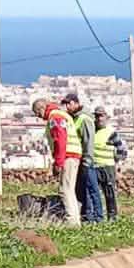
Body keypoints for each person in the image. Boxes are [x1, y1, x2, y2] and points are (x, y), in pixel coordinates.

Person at [34, 97, 81, 226]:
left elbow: (60, 139)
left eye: (37, 113)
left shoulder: (55, 117)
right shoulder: (61, 114)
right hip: (72, 154)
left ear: (42, 108)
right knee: (69, 189)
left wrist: (58, 163)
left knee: (65, 190)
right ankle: (75, 220)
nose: (38, 116)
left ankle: (72, 222)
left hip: (68, 155)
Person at [63, 93, 102, 224]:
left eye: (69, 104)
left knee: (91, 189)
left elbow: (88, 141)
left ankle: (97, 217)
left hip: (85, 159)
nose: (67, 107)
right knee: (81, 189)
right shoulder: (74, 119)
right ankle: (86, 215)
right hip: (78, 158)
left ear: (76, 103)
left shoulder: (84, 119)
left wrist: (87, 160)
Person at [90, 108, 125, 220]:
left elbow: (121, 150)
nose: (99, 119)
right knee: (94, 193)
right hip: (94, 167)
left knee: (110, 193)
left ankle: (112, 217)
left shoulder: (111, 132)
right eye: (97, 116)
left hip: (107, 167)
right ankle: (96, 217)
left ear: (106, 117)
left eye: (101, 116)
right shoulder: (91, 131)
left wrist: (116, 162)